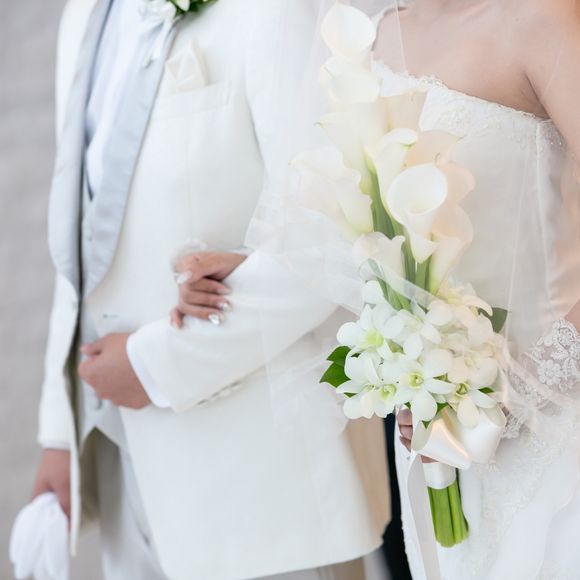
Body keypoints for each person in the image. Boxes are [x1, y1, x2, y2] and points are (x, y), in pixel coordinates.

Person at [31, 0, 391, 578]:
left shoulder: (276, 12)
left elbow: (334, 237)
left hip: (263, 491)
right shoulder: (83, 16)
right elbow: (79, 233)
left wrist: (155, 364)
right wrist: (59, 432)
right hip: (125, 473)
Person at [369, 0, 580, 578]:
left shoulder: (542, 19)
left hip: (555, 420)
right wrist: (402, 367)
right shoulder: (381, 33)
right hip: (434, 432)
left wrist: (521, 389)